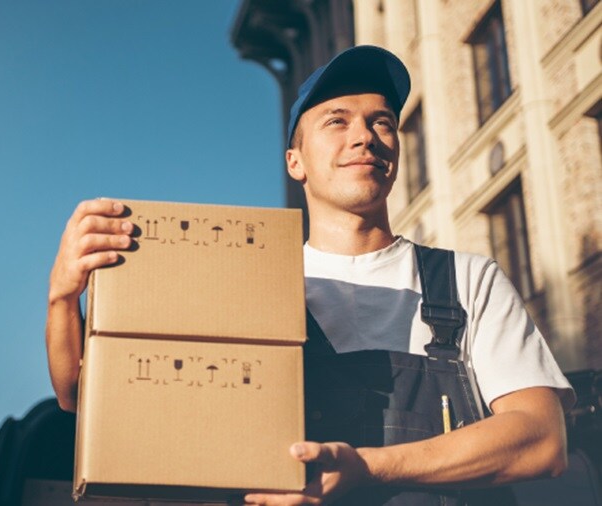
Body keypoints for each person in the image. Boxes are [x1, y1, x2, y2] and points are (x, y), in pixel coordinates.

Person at [45, 45, 575, 505]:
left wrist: (367, 466)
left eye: (382, 122)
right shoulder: (242, 283)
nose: (365, 136)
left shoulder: (468, 280)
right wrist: (64, 298)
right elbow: (80, 397)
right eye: (337, 121)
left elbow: (541, 440)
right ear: (294, 162)